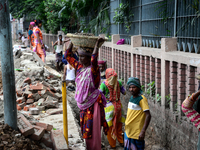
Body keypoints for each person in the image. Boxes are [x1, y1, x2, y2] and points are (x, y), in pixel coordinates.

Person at [65, 37, 108, 150]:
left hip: (93, 105)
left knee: (92, 129)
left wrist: (97, 45)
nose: (80, 58)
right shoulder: (79, 68)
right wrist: (72, 42)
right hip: (83, 105)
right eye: (79, 56)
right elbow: (67, 56)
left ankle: (95, 147)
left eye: (82, 56)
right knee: (85, 129)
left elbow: (94, 60)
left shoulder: (93, 71)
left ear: (88, 58)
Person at [100, 68, 126, 149]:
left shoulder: (104, 84)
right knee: (119, 125)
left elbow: (100, 96)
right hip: (118, 106)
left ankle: (113, 145)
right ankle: (121, 142)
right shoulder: (119, 83)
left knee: (110, 127)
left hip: (109, 109)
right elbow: (124, 92)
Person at [125, 77, 151, 150]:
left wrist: (143, 131)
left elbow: (148, 115)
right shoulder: (131, 98)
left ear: (138, 87)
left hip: (136, 134)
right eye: (130, 87)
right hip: (128, 132)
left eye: (134, 87)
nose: (131, 89)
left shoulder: (142, 99)